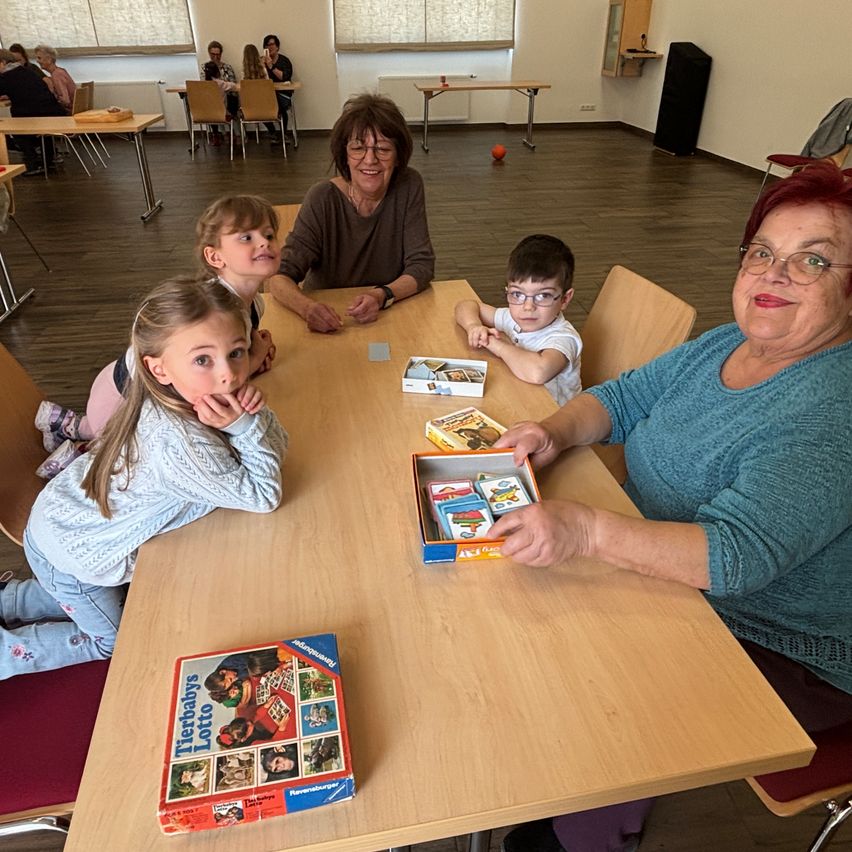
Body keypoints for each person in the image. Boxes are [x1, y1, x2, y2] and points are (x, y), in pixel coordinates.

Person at [495, 160, 852, 852]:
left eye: (813, 261)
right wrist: (552, 431)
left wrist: (590, 529)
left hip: (775, 638)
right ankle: (572, 793)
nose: (773, 275)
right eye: (762, 253)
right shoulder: (727, 342)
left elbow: (734, 555)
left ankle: (590, 833)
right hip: (666, 571)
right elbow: (623, 398)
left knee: (590, 673)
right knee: (521, 616)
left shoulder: (832, 407)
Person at [0, 277, 288, 679]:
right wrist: (246, 426)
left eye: (237, 352)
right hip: (71, 554)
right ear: (159, 368)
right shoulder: (178, 442)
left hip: (59, 528)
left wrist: (252, 420)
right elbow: (264, 493)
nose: (229, 374)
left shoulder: (182, 394)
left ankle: (9, 601)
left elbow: (277, 450)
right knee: (112, 642)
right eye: (203, 360)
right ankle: (6, 653)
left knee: (75, 594)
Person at [34, 195, 281, 474]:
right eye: (246, 237)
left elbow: (218, 368)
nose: (264, 242)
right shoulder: (221, 308)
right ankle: (79, 456)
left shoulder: (252, 302)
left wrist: (251, 356)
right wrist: (254, 357)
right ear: (214, 256)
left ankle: (68, 427)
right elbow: (209, 391)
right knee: (132, 462)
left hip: (122, 388)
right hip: (124, 401)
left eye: (269, 234)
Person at [268, 93, 435, 332]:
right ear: (345, 156)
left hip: (389, 314)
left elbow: (422, 266)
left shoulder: (409, 185)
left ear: (398, 157)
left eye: (383, 149)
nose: (370, 160)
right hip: (332, 321)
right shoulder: (322, 198)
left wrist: (382, 295)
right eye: (358, 148)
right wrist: (308, 309)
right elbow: (279, 278)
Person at [455, 234, 582, 405]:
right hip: (520, 399)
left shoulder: (564, 338)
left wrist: (495, 344)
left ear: (565, 299)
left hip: (555, 419)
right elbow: (465, 306)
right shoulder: (513, 317)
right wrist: (473, 326)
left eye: (543, 295)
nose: (528, 306)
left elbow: (538, 372)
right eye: (517, 294)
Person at [0, 48, 65, 175]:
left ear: (2, 62)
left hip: (34, 116)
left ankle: (33, 163)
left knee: (16, 130)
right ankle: (48, 160)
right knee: (38, 130)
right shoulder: (26, 71)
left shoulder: (7, 76)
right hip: (53, 112)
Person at [200, 41, 238, 145]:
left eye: (218, 54)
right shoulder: (205, 67)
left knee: (231, 100)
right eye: (213, 54)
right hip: (212, 99)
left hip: (227, 98)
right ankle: (216, 134)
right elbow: (203, 85)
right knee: (211, 104)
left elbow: (234, 84)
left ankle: (231, 133)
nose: (216, 57)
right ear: (209, 53)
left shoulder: (227, 67)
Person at [261, 34, 293, 141]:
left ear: (277, 46)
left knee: (279, 104)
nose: (269, 48)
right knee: (258, 105)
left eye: (272, 45)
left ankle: (283, 133)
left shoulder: (284, 61)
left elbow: (285, 77)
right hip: (266, 94)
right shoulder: (262, 62)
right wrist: (261, 67)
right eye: (267, 45)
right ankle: (272, 132)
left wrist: (272, 66)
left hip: (283, 94)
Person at [34, 44, 76, 113]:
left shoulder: (57, 75)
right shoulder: (60, 71)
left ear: (49, 59)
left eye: (39, 58)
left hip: (69, 112)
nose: (37, 61)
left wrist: (52, 93)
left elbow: (66, 101)